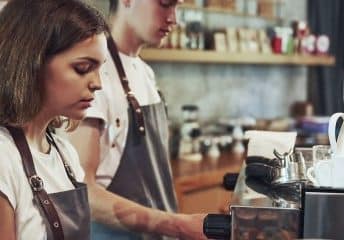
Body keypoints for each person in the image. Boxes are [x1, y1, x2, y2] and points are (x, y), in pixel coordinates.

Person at [68, 0, 207, 239]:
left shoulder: (145, 72)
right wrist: (178, 225)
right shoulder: (94, 75)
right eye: (165, 4)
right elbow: (82, 191)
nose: (174, 18)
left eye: (177, 7)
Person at [0, 0, 108, 239]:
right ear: (32, 62)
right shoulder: (3, 160)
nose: (97, 83)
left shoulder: (64, 153)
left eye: (99, 69)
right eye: (82, 67)